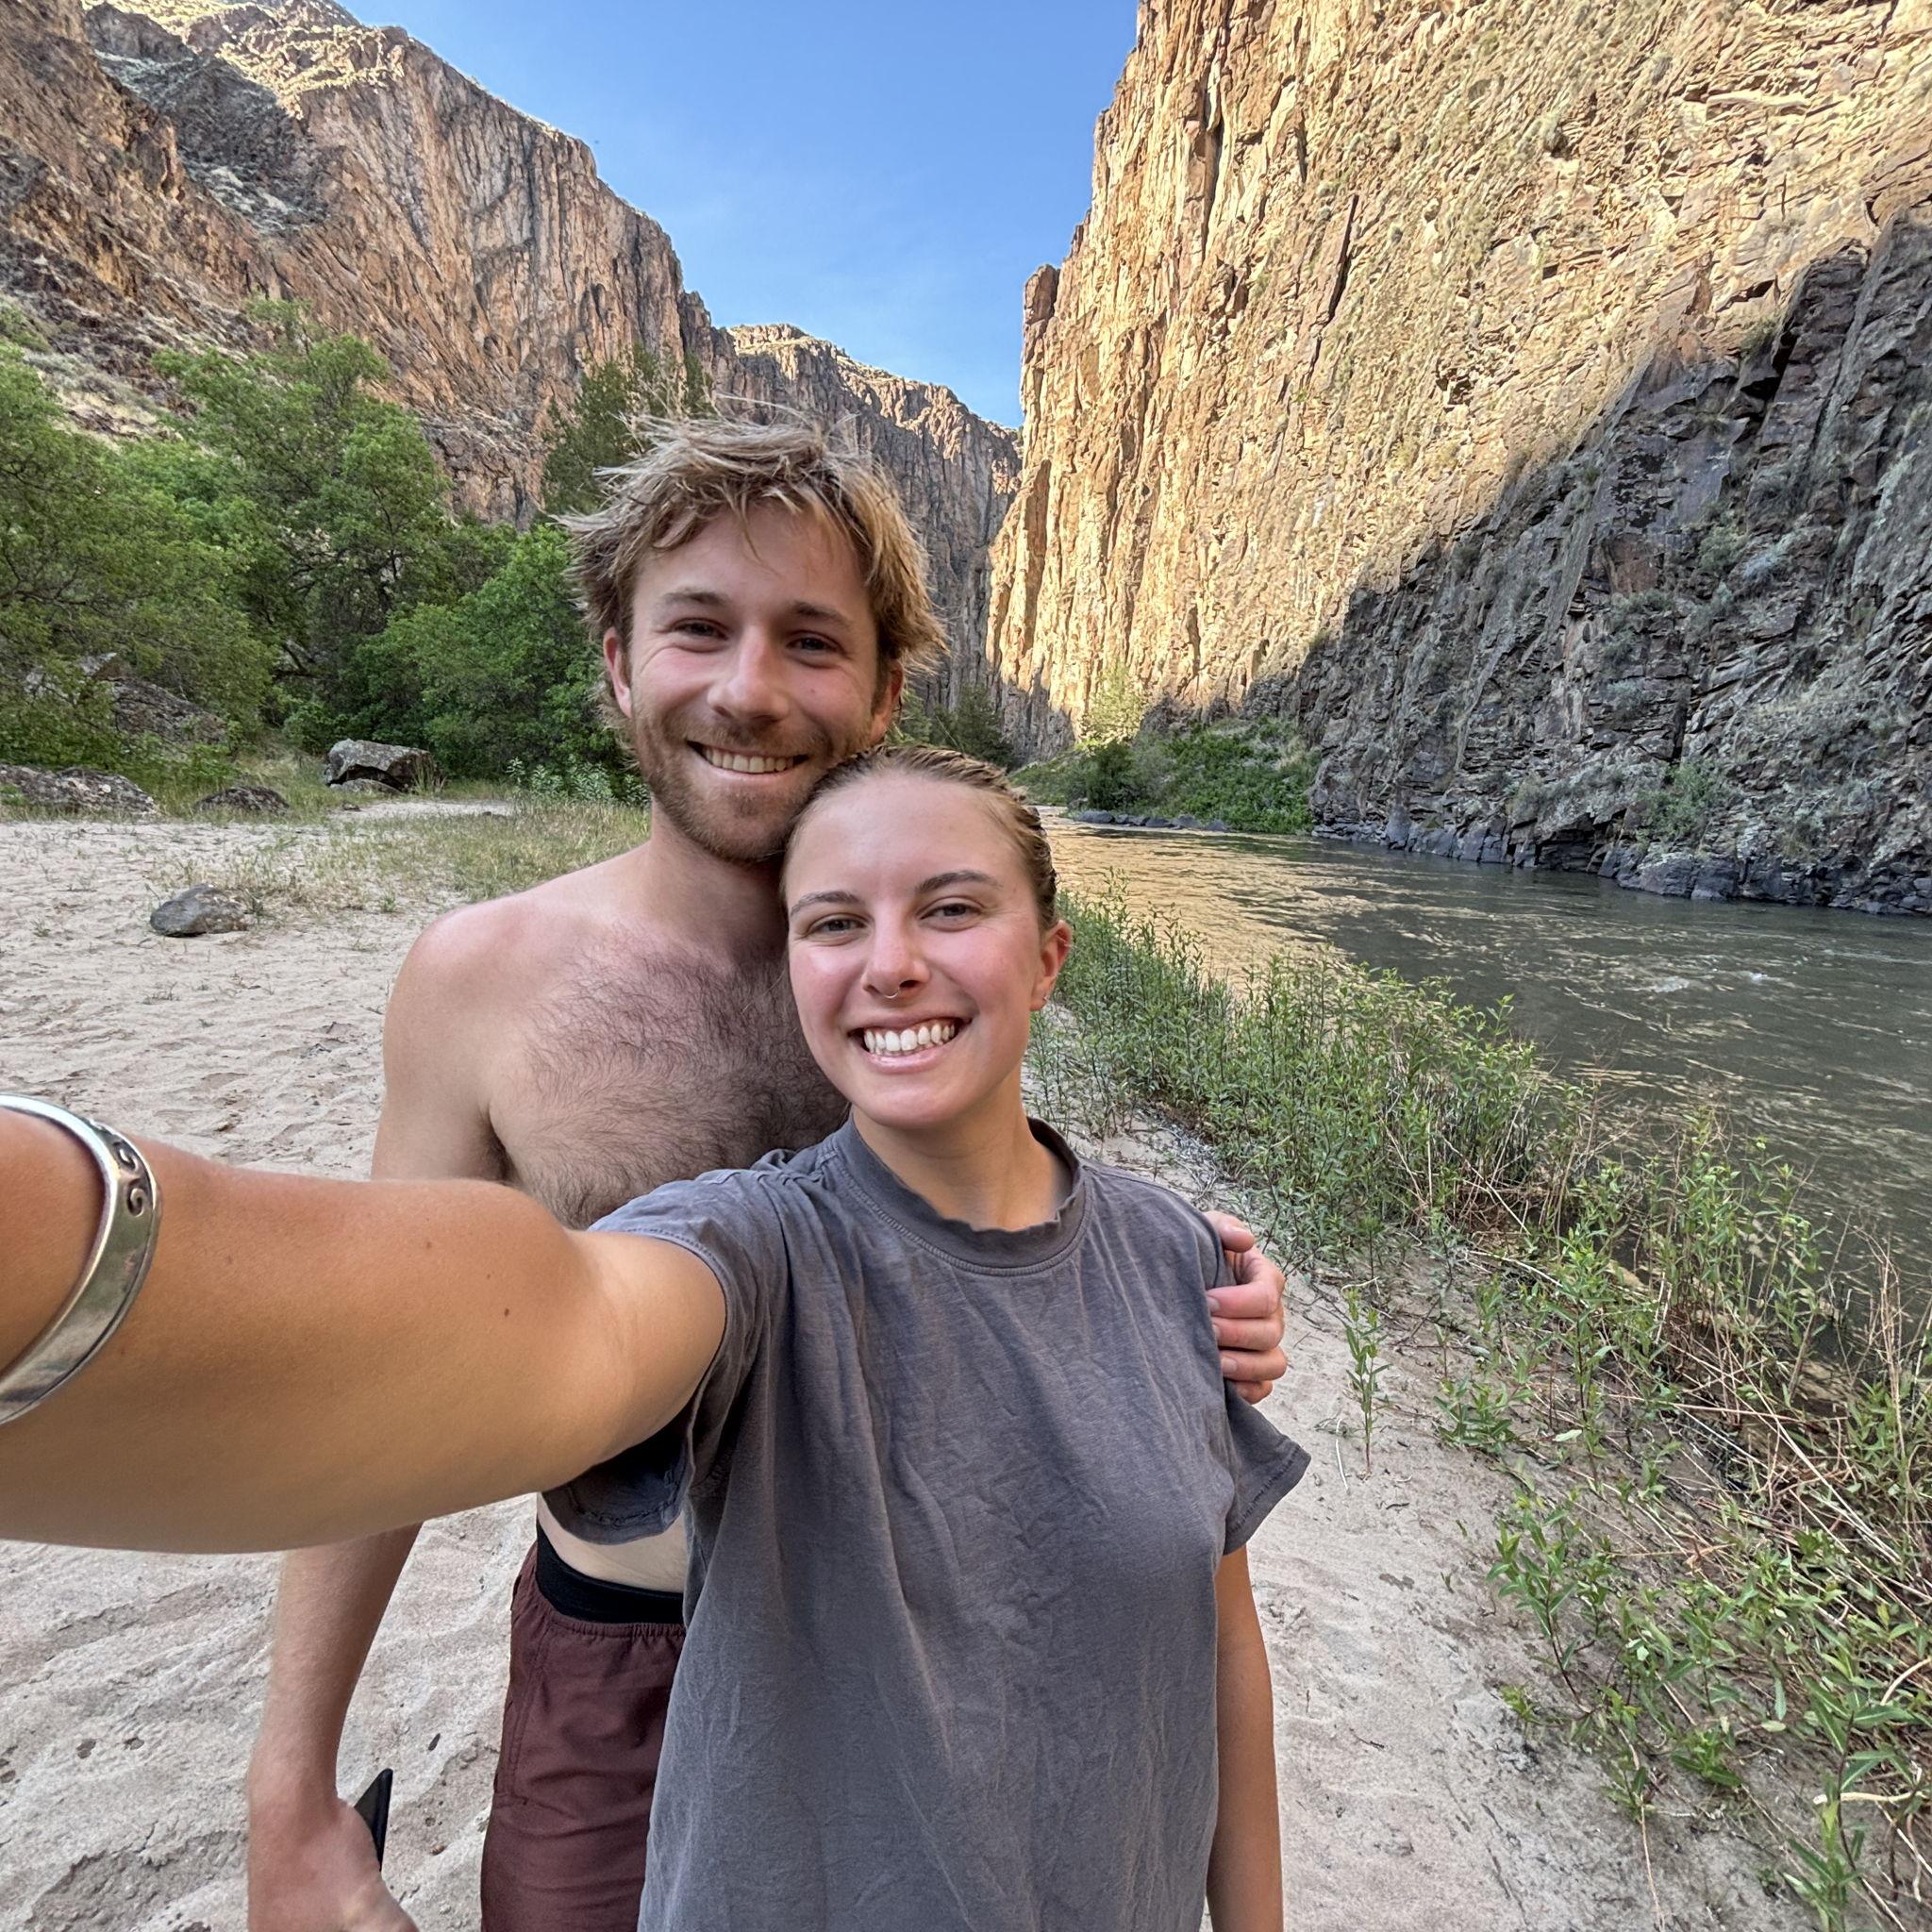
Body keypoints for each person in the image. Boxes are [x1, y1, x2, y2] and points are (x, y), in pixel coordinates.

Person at [226, 417, 1292, 1930]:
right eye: (698, 630)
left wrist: (1204, 1284)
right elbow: (377, 1386)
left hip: (930, 1651)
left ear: (880, 691)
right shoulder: (483, 983)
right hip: (623, 1662)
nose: (748, 689)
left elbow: (992, 1220)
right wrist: (291, 1793)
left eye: (809, 640)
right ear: (616, 659)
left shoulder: (901, 974)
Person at [0, 744, 1306, 1931]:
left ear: (1051, 956)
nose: (892, 961)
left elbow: (1219, 1638)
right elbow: (557, 1324)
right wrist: (72, 1266)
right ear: (794, 970)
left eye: (951, 908)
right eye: (835, 923)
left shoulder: (1175, 1260)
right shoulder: (754, 1249)